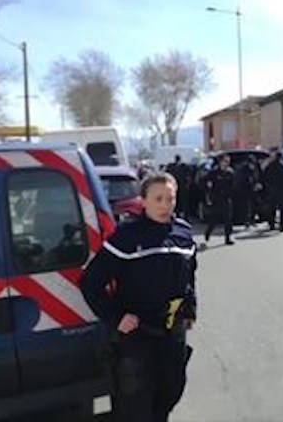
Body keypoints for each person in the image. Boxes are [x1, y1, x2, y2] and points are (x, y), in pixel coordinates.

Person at [80, 172, 197, 422]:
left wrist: (190, 309)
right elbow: (91, 282)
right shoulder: (126, 237)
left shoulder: (184, 234)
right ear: (143, 201)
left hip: (172, 333)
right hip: (138, 337)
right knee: (136, 405)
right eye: (158, 199)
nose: (166, 205)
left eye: (170, 199)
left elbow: (190, 274)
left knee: (170, 392)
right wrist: (116, 317)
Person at [204, 154, 235, 245]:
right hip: (216, 199)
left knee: (228, 219)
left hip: (226, 199)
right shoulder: (214, 173)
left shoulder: (230, 172)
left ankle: (228, 238)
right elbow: (206, 183)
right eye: (225, 161)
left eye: (228, 161)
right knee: (214, 219)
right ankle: (208, 232)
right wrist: (209, 194)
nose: (226, 163)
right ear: (220, 162)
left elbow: (233, 185)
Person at [263, 150, 283, 232]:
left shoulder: (269, 166)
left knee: (272, 208)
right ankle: (282, 225)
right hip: (282, 191)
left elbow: (265, 178)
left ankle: (272, 224)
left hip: (272, 191)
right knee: (282, 209)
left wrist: (267, 189)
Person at [234, 155, 260, 228]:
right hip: (244, 191)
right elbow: (241, 181)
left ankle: (252, 220)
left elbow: (256, 177)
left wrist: (256, 184)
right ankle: (246, 221)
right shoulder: (243, 170)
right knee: (246, 207)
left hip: (253, 191)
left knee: (254, 206)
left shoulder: (255, 169)